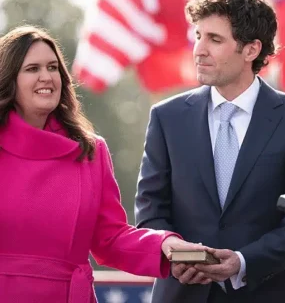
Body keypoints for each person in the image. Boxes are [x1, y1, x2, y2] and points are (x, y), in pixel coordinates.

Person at [135, 0, 285, 303]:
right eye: (198, 36)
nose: (199, 49)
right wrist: (173, 249)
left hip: (265, 294)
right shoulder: (167, 118)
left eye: (214, 39)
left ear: (251, 50)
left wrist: (243, 262)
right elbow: (150, 208)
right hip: (181, 294)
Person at [0, 25, 205, 303]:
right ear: (9, 80)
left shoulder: (90, 151)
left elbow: (110, 238)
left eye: (52, 67)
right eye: (32, 69)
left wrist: (165, 246)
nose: (46, 77)